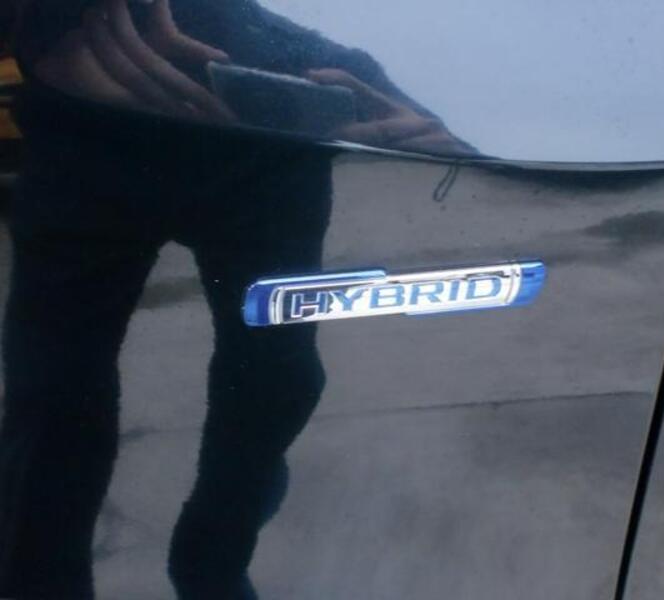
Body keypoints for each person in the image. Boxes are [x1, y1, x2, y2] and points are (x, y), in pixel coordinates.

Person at [0, 1, 469, 598]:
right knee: (55, 391)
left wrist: (426, 115)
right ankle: (42, 579)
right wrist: (39, 21)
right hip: (90, 117)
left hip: (271, 140)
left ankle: (212, 560)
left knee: (280, 380)